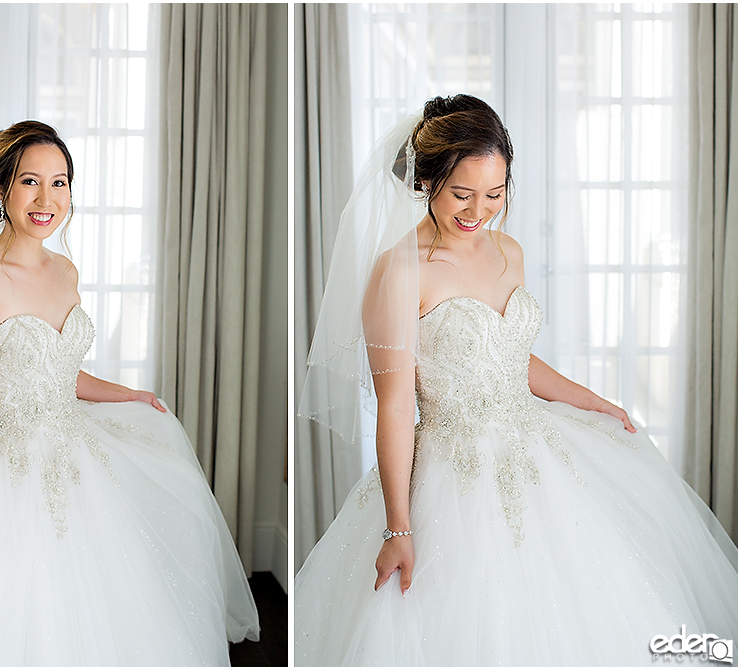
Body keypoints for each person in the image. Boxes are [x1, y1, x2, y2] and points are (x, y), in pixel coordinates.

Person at [295, 94, 737, 665]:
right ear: (425, 179)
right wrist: (397, 527)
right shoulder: (399, 273)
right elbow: (397, 407)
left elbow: (511, 359)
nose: (478, 210)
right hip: (453, 477)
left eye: (495, 194)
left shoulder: (510, 251)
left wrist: (594, 400)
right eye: (461, 194)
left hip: (539, 454)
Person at [0, 121, 259, 666]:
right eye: (29, 182)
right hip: (0, 468)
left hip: (76, 459)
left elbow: (63, 375)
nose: (47, 199)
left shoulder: (66, 271)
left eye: (60, 182)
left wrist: (128, 394)